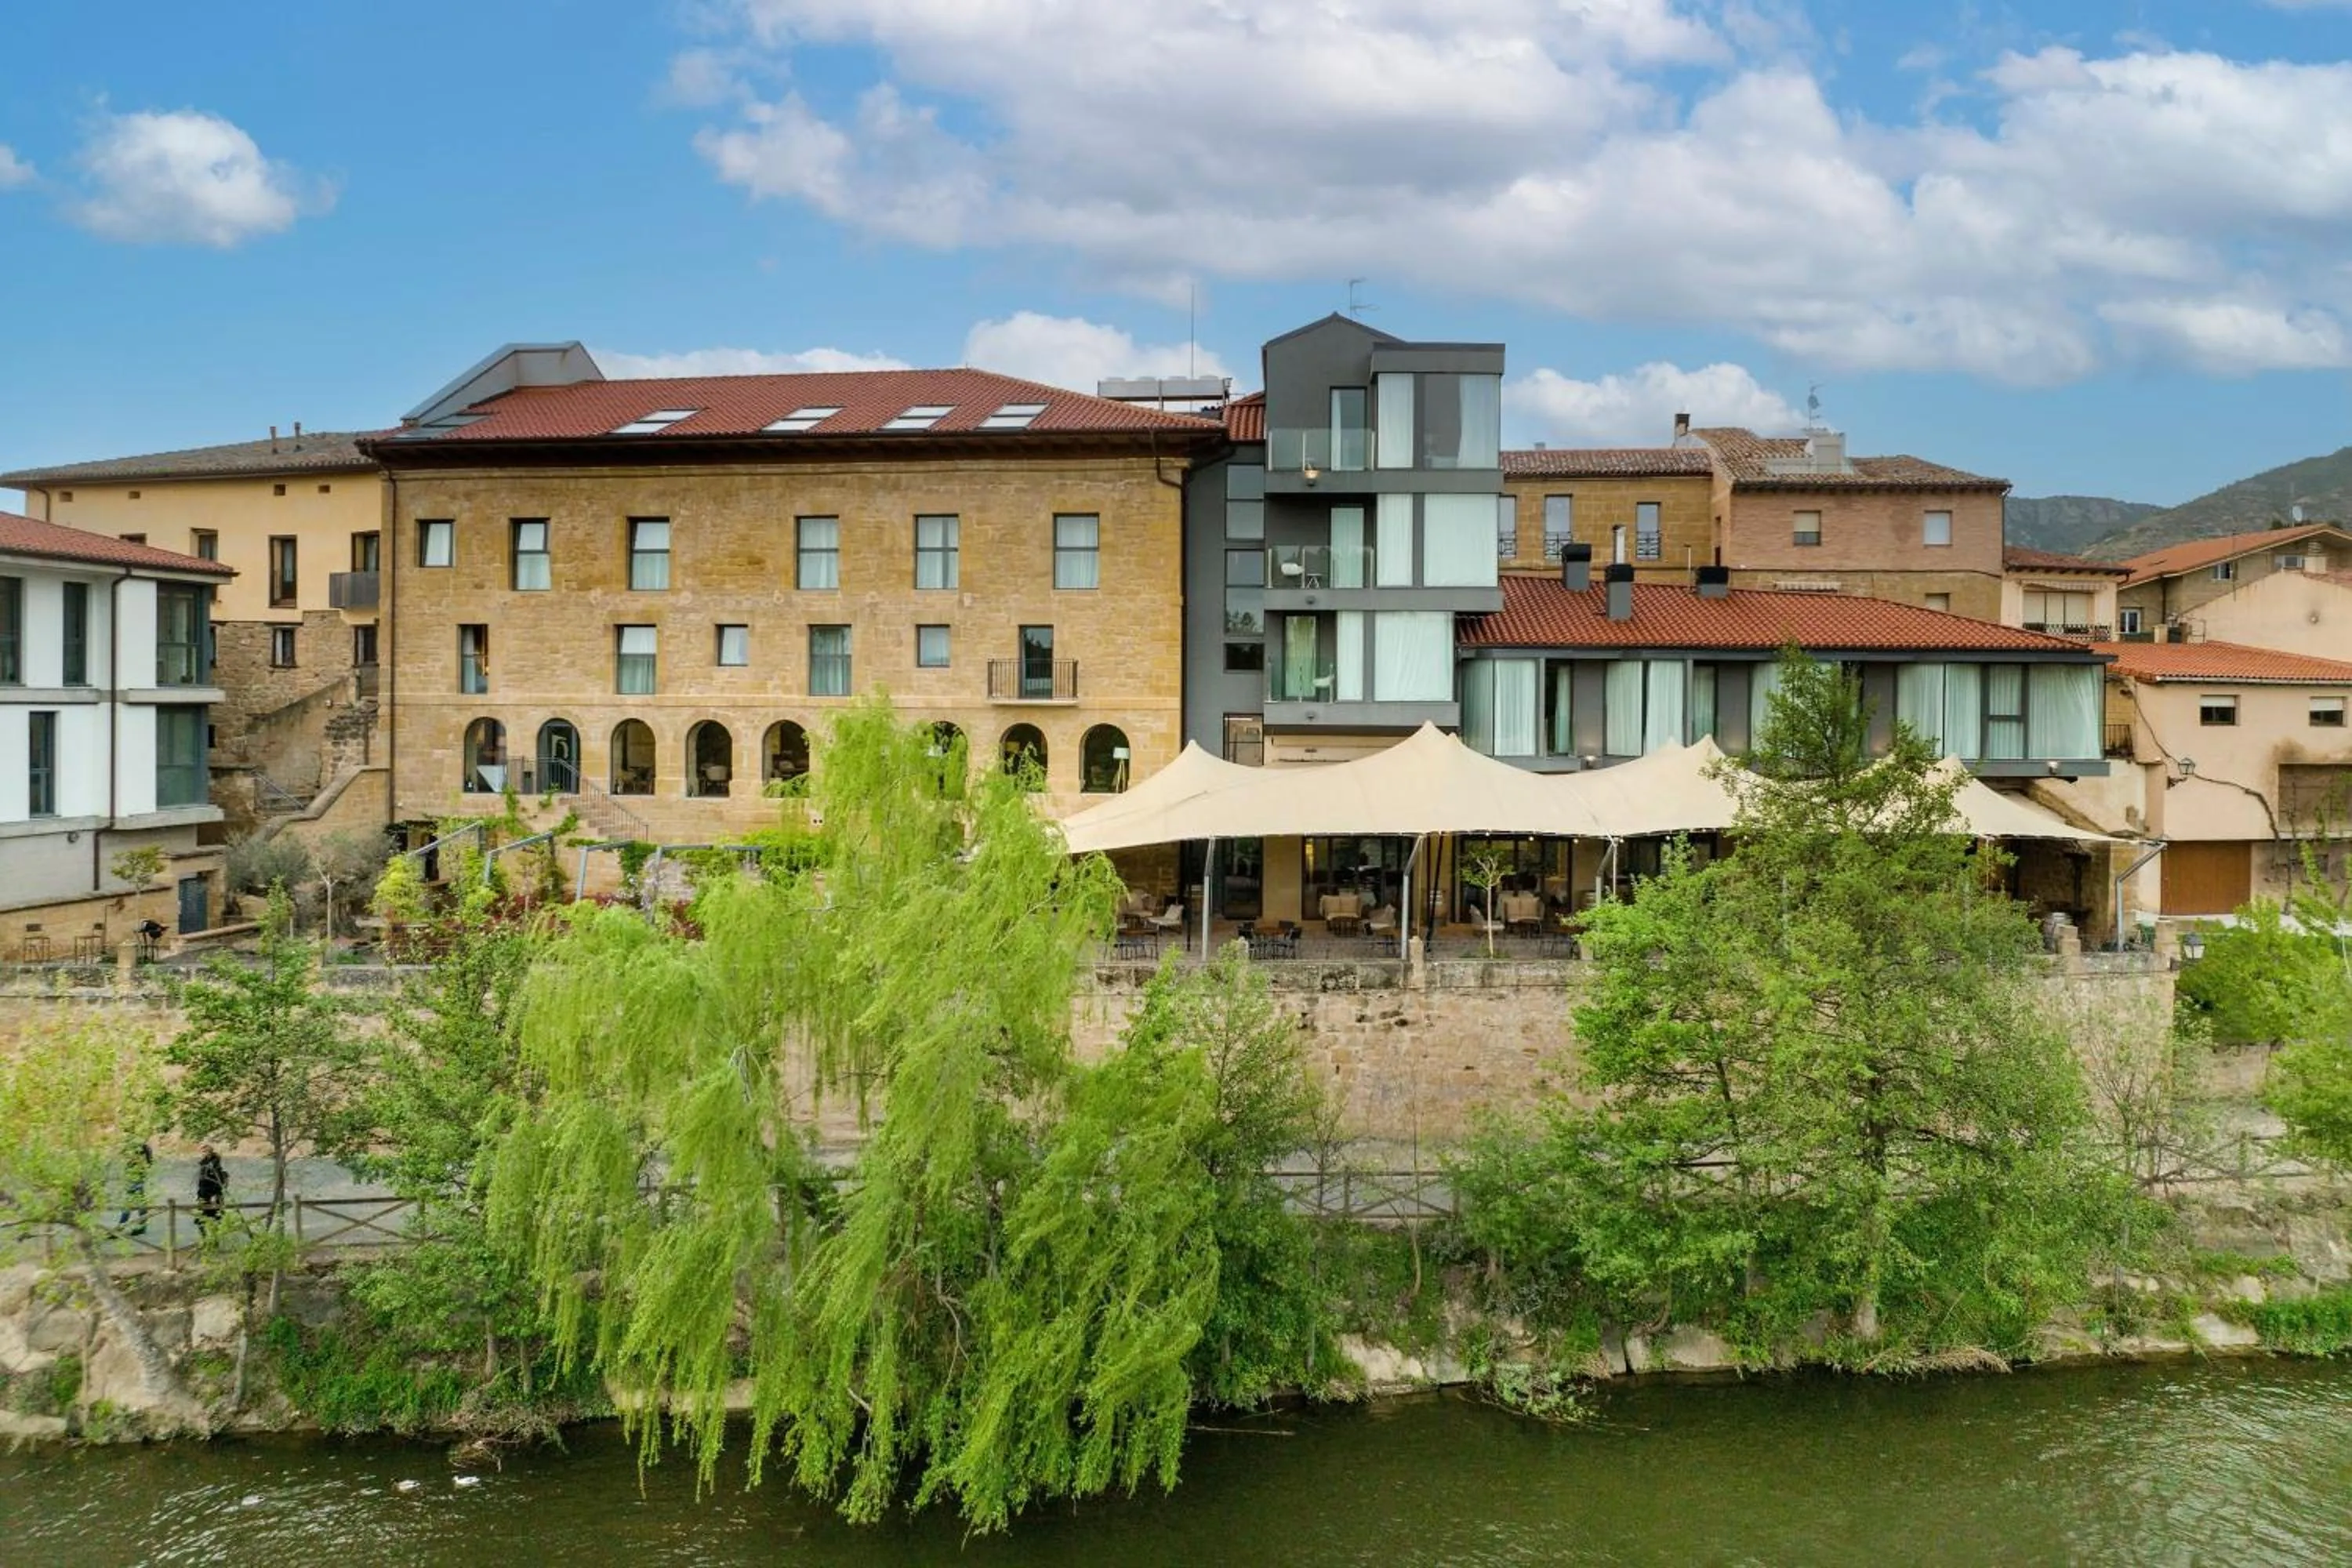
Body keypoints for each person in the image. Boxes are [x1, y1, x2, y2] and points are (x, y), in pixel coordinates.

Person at [118, 1142, 153, 1238]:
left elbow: (137, 1176)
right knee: (140, 1207)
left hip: (135, 1186)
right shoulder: (139, 1161)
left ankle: (121, 1228)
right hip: (135, 1185)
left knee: (129, 1208)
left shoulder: (138, 1162)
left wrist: (131, 1187)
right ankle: (141, 1227)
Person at [194, 1146, 227, 1237]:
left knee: (215, 1218)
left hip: (213, 1195)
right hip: (203, 1195)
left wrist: (215, 1195)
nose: (204, 1153)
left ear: (210, 1152)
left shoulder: (216, 1166)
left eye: (205, 1152)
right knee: (200, 1219)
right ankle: (205, 1240)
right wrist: (199, 1196)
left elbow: (219, 1183)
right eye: (203, 1152)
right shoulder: (203, 1165)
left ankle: (215, 1240)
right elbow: (201, 1183)